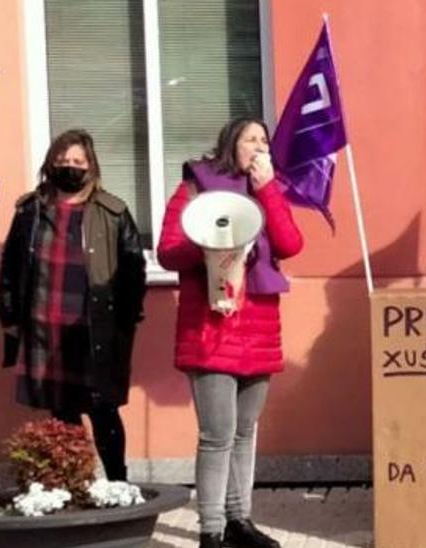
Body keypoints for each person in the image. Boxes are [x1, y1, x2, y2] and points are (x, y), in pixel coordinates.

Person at [157, 118, 303, 548]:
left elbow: (290, 243)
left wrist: (269, 191)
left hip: (258, 326)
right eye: (250, 139)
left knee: (245, 432)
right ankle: (211, 529)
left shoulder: (270, 190)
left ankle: (241, 520)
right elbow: (168, 251)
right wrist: (207, 246)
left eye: (264, 141)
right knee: (217, 434)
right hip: (211, 327)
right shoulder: (195, 189)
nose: (259, 147)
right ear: (230, 145)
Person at [0, 129, 146, 484]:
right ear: (50, 164)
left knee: (104, 410)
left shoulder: (113, 211)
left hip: (94, 328)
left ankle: (117, 487)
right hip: (45, 325)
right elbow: (11, 266)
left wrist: (126, 322)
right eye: (63, 161)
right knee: (62, 412)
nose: (70, 167)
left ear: (91, 166)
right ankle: (76, 484)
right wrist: (8, 316)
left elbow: (133, 270)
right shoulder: (30, 210)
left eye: (78, 161)